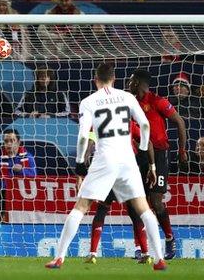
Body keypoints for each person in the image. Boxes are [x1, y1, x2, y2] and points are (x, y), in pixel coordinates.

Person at [45, 63, 166, 270]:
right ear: (115, 79)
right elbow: (145, 124)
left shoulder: (89, 101)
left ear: (95, 80)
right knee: (144, 208)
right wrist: (144, 151)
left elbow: (84, 135)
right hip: (128, 159)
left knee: (81, 207)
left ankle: (59, 257)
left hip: (105, 159)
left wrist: (80, 164)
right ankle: (159, 259)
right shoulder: (127, 97)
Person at [128, 68, 188, 259]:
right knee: (137, 201)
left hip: (160, 155)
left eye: (131, 80)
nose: (128, 83)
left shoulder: (157, 101)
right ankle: (140, 248)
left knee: (156, 201)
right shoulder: (129, 103)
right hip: (138, 155)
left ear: (137, 82)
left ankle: (169, 238)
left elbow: (179, 122)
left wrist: (182, 150)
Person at [83, 125, 157, 264]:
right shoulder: (127, 121)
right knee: (136, 212)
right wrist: (152, 166)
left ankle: (92, 253)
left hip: (108, 168)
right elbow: (147, 141)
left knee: (102, 209)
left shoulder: (99, 117)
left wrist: (86, 157)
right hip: (127, 169)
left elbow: (91, 140)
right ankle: (146, 253)